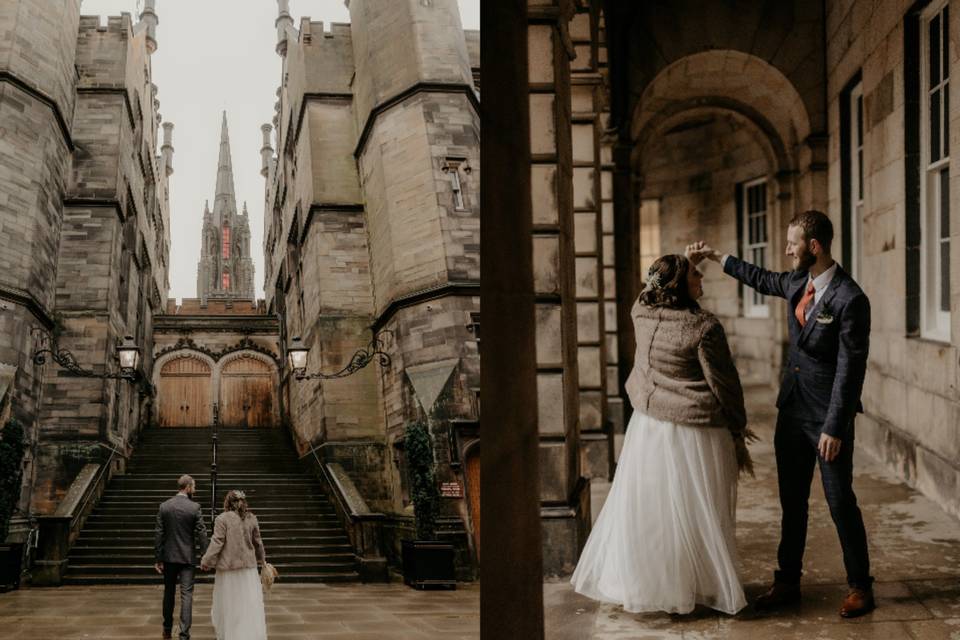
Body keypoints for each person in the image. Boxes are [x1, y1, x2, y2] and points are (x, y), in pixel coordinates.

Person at [689, 208, 874, 618]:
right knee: (792, 502)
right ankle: (787, 581)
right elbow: (761, 277)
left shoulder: (850, 298)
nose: (786, 250)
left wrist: (835, 425)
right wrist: (719, 257)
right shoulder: (796, 281)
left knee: (840, 501)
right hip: (791, 410)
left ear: (814, 246)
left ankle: (861, 586)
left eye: (792, 243)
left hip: (827, 420)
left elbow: (850, 368)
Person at [571, 253, 755, 615]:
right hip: (695, 431)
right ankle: (696, 586)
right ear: (678, 287)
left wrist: (683, 260)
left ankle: (661, 587)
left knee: (657, 511)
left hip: (649, 426)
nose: (701, 277)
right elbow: (724, 384)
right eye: (694, 274)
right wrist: (738, 425)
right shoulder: (704, 327)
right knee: (698, 510)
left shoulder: (641, 312)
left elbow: (648, 291)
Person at [201, 490, 268, 640]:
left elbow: (217, 542)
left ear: (227, 502)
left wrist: (206, 561)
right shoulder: (251, 518)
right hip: (249, 570)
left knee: (230, 605)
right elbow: (258, 543)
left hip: (229, 570)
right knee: (248, 604)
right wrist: (262, 560)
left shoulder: (222, 519)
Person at [155, 474, 208, 640]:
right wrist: (204, 555)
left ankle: (167, 629)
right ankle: (184, 634)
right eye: (194, 486)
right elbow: (202, 533)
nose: (195, 489)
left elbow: (158, 534)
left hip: (169, 557)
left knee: (168, 593)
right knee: (187, 595)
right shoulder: (194, 507)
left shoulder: (164, 506)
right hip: (187, 557)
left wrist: (158, 558)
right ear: (188, 487)